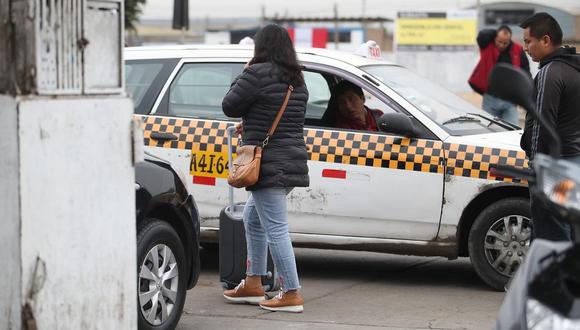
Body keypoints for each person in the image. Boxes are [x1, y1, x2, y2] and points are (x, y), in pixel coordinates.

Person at [221, 24, 309, 312]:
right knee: (253, 220)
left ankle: (291, 291)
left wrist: (245, 70)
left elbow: (229, 104)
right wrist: (251, 124)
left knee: (276, 229)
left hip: (268, 162)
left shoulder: (256, 73)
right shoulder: (297, 78)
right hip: (291, 159)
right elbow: (282, 115)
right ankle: (254, 282)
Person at [519, 12, 580, 241]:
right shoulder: (573, 69)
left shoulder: (550, 72)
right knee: (567, 228)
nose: (526, 48)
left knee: (550, 232)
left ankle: (553, 275)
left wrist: (537, 164)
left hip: (554, 165)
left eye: (528, 41)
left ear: (545, 40)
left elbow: (543, 124)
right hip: (573, 161)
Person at [469, 25, 530, 126]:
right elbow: (482, 34)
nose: (502, 45)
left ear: (510, 40)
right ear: (495, 38)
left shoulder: (518, 50)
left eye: (505, 42)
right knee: (488, 131)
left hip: (510, 100)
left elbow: (525, 72)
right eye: (499, 41)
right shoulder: (487, 45)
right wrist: (496, 32)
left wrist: (525, 95)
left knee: (512, 130)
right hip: (490, 98)